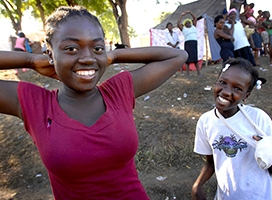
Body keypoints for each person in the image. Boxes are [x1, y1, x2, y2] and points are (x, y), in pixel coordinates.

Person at [0, 6, 187, 199]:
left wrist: (113, 56)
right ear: (50, 54)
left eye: (97, 48)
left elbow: (177, 56)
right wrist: (31, 60)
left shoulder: (118, 91)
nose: (88, 58)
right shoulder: (35, 105)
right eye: (71, 48)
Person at [191, 57, 272, 200]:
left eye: (237, 88)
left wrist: (271, 148)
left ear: (246, 96)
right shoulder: (206, 122)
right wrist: (197, 185)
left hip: (263, 195)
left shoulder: (258, 119)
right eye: (223, 83)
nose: (225, 91)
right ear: (216, 83)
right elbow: (211, 162)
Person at [177, 10, 201, 78]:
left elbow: (195, 19)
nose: (188, 23)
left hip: (194, 43)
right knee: (187, 60)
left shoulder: (193, 27)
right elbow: (178, 23)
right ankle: (188, 75)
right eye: (186, 23)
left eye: (189, 22)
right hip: (188, 43)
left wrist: (190, 12)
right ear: (185, 24)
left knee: (195, 59)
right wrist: (182, 15)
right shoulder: (183, 28)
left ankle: (198, 73)